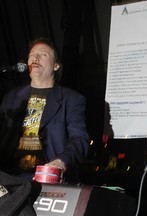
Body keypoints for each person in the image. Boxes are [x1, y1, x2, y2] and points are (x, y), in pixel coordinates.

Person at [0, 38, 90, 184]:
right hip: (11, 180)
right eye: (32, 54)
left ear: (56, 65)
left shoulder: (71, 99)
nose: (35, 58)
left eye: (43, 54)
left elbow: (79, 139)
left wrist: (61, 162)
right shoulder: (11, 98)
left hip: (47, 180)